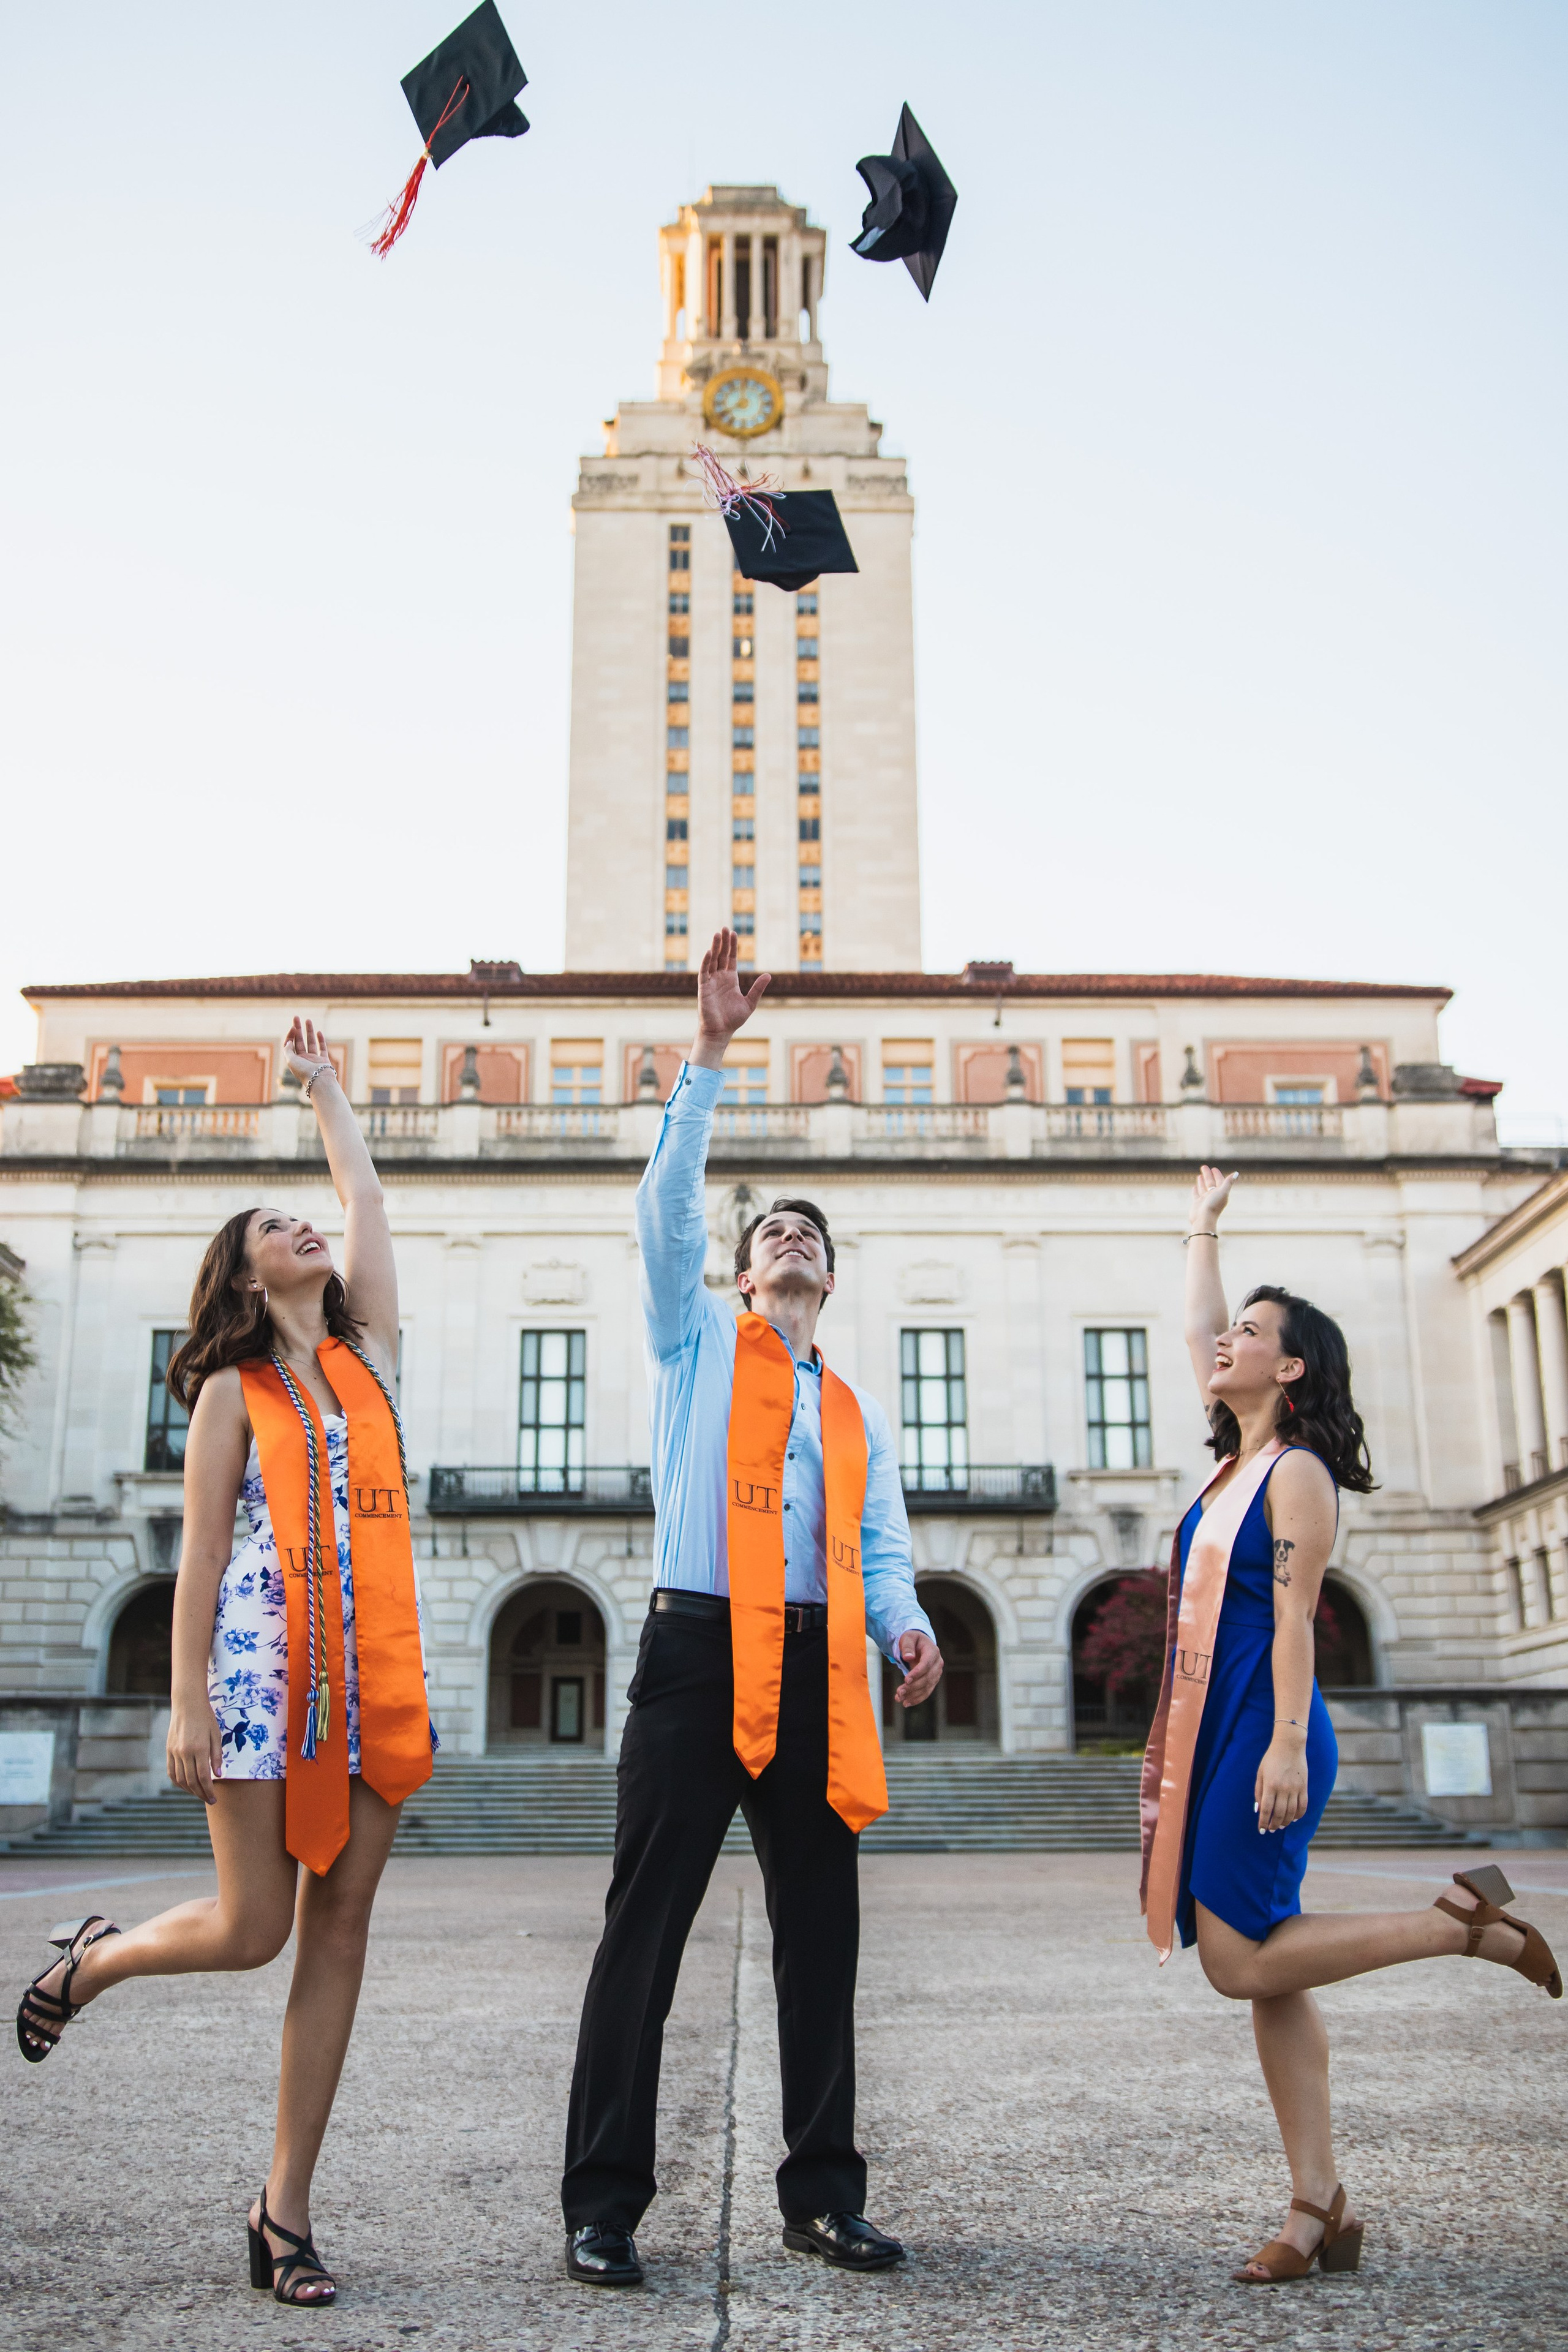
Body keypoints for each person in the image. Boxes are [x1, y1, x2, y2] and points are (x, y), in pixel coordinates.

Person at [14, 1017, 435, 2309]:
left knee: (341, 1929)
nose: (303, 1226)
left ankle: (283, 2209)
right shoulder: (227, 1395)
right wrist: (186, 1699)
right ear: (246, 1278)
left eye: (299, 1218)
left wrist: (325, 1092)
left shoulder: (368, 1358)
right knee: (254, 1930)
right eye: (273, 1225)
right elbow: (198, 1560)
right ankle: (94, 1959)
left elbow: (363, 1194)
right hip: (259, 1680)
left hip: (371, 1676)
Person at [561, 929, 944, 2288]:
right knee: (642, 1931)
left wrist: (907, 1624)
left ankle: (822, 2195)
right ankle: (602, 2203)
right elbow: (666, 1208)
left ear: (828, 1282)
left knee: (821, 1942)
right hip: (695, 1650)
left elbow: (881, 1547)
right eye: (769, 1230)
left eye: (810, 1235)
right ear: (738, 1275)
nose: (789, 1238)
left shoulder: (850, 1410)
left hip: (819, 1662)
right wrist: (710, 1055)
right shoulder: (693, 1345)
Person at [1140, 1164, 1562, 2286]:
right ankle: (1318, 2206)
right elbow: (1194, 1322)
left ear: (1292, 1367)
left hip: (1267, 1729)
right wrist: (1202, 1227)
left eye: (1250, 1333)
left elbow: (1295, 1622)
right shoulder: (1233, 1457)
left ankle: (1461, 1926)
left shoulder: (1298, 1476)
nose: (1222, 1341)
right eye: (1229, 1331)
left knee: (1237, 1963)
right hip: (1217, 1723)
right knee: (1275, 1977)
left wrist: (1281, 1743)